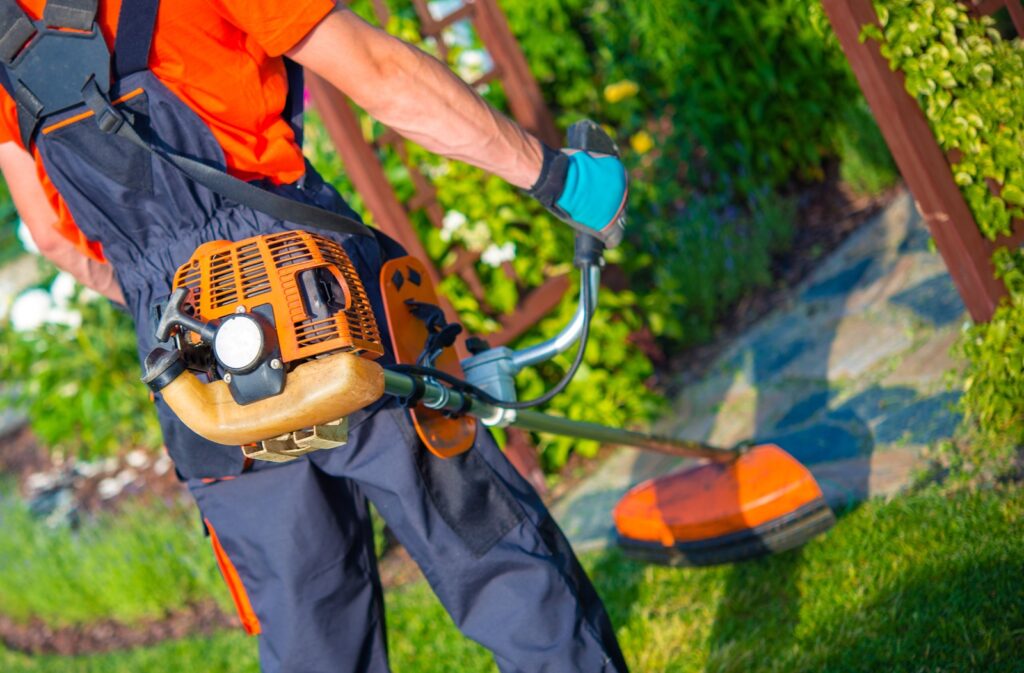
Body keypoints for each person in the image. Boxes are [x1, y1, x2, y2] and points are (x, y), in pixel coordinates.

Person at [0, 1, 629, 671]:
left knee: (310, 629)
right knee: (491, 555)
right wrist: (557, 176)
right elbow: (382, 74)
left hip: (186, 354)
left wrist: (185, 303)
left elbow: (53, 238)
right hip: (323, 299)